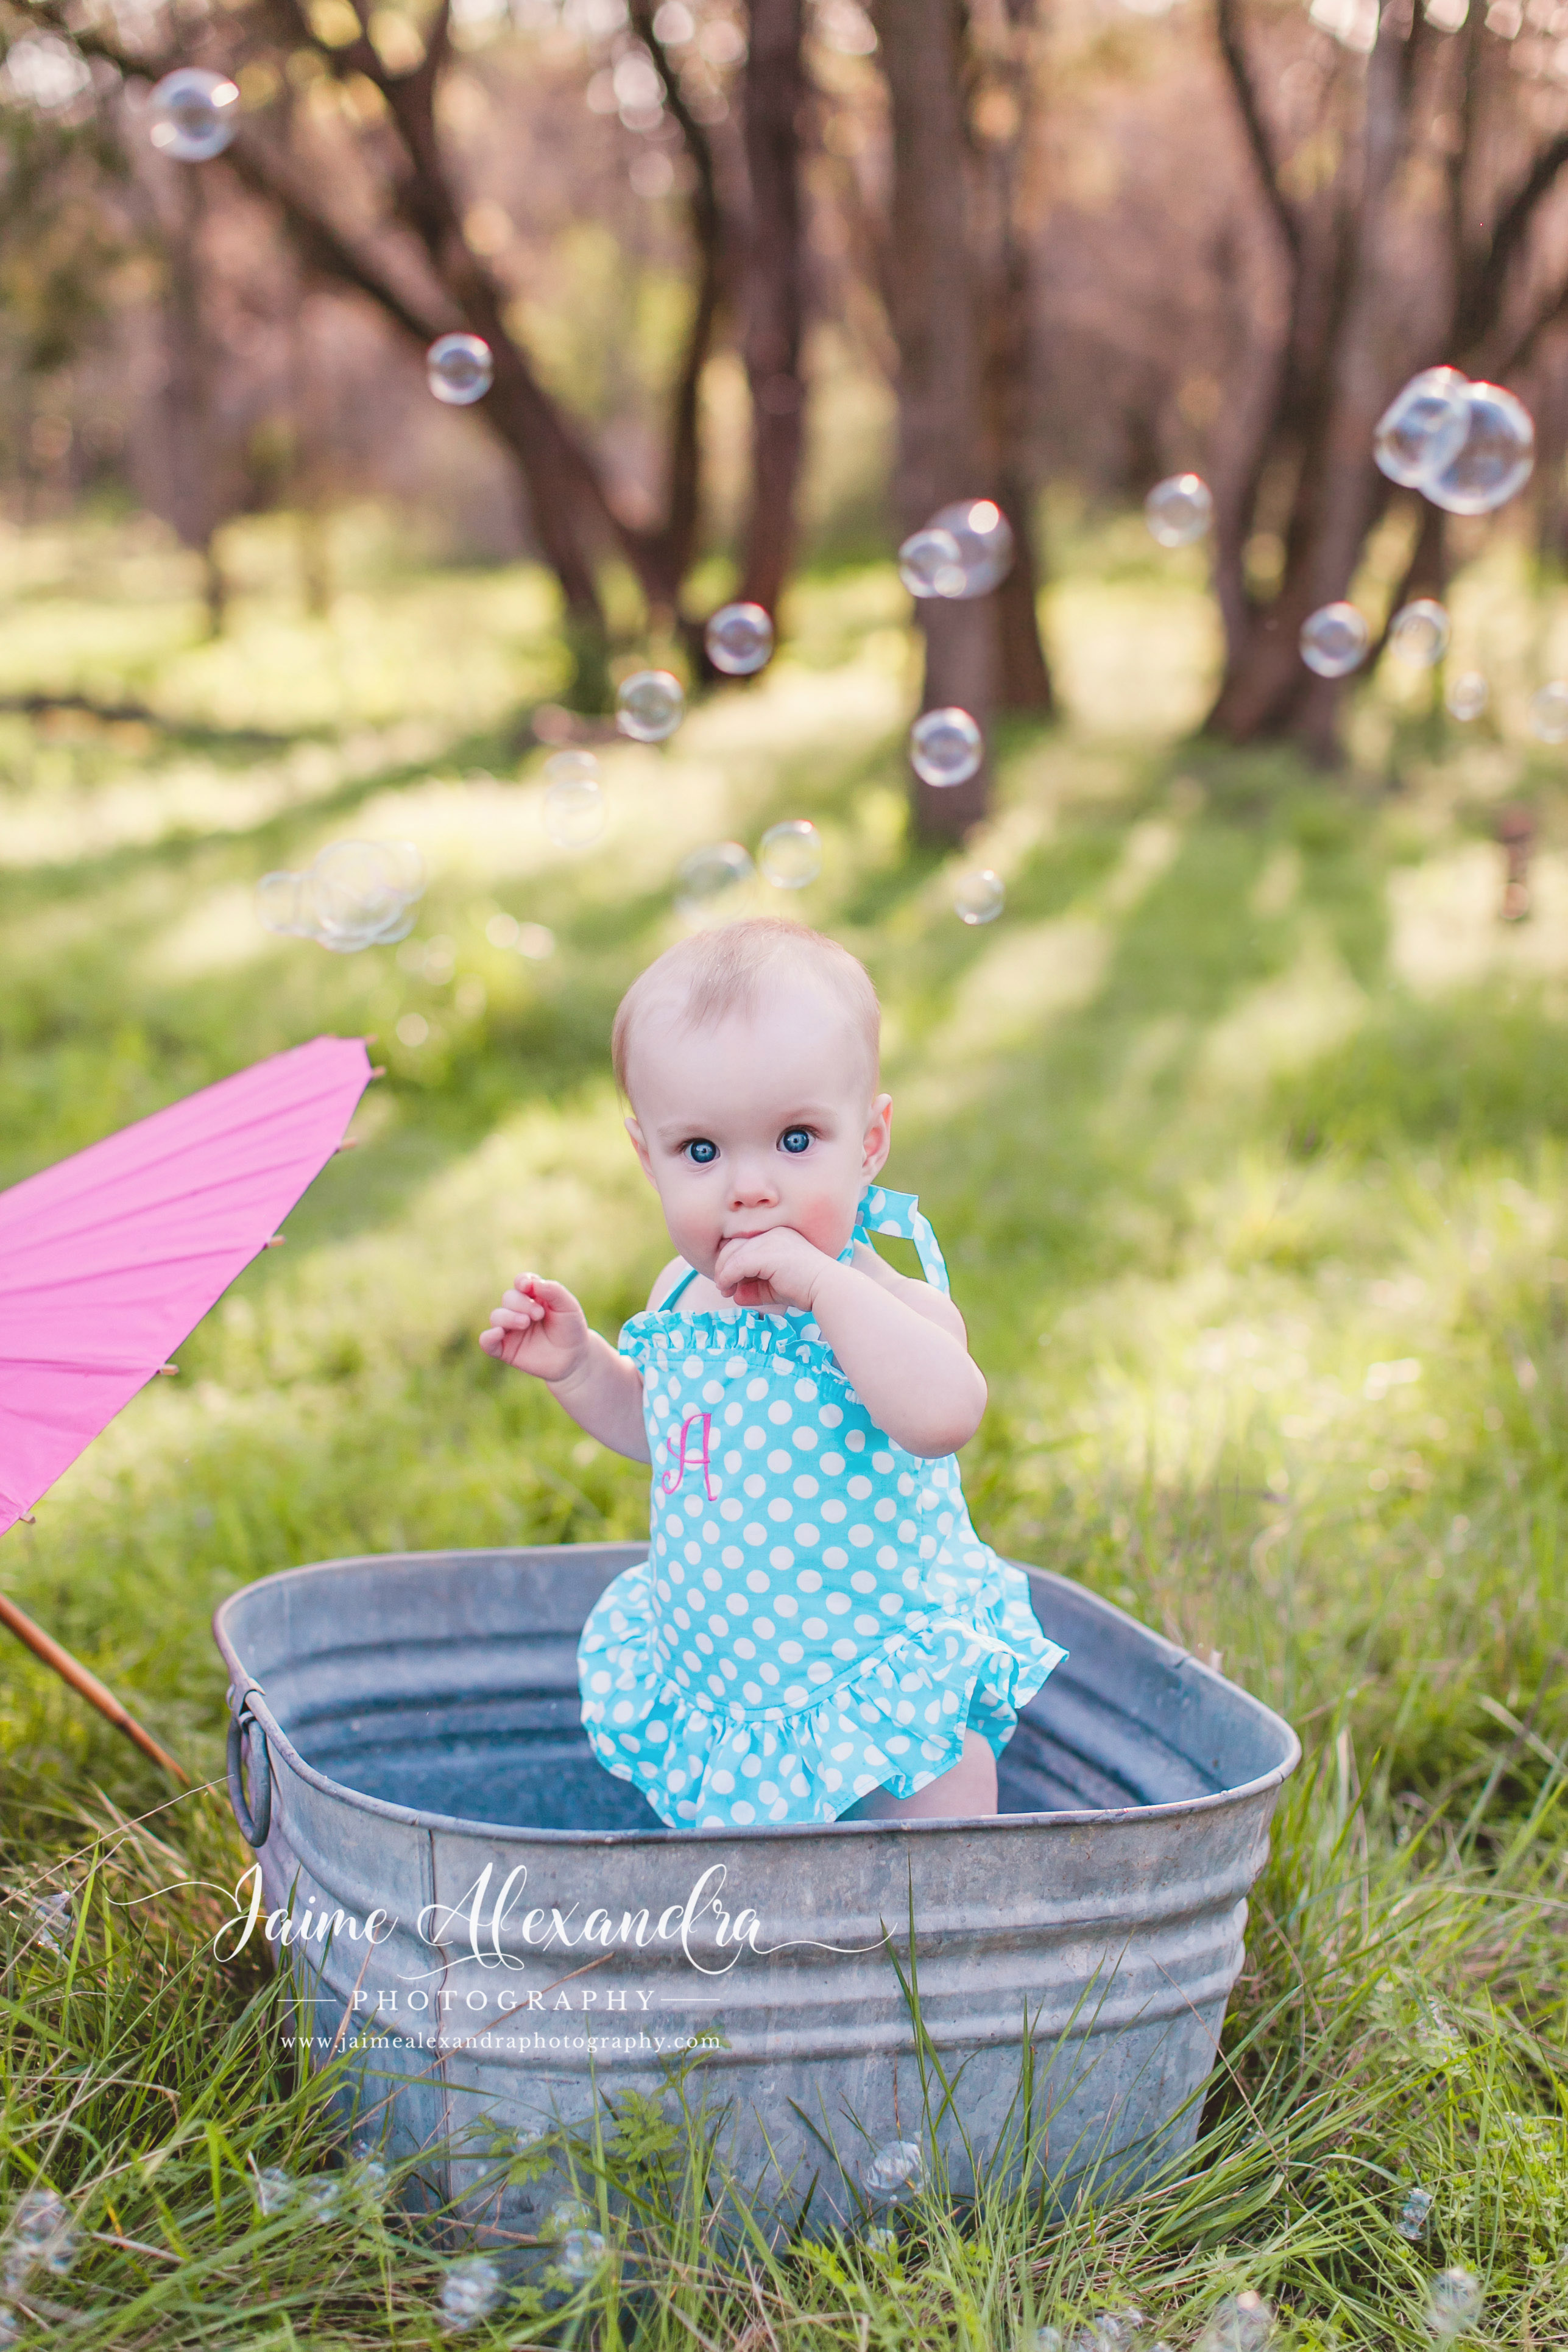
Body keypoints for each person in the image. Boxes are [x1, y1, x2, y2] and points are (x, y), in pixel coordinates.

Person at [480, 917, 1065, 1829]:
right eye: (702, 1153)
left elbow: (946, 1412)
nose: (749, 1187)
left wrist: (826, 1288)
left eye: (796, 1140)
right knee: (769, 1883)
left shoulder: (882, 1297)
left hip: (881, 1669)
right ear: (649, 1156)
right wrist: (579, 1367)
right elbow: (667, 1435)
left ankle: (950, 1949)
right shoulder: (680, 1296)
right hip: (734, 1669)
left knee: (938, 1832)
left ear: (868, 1142)